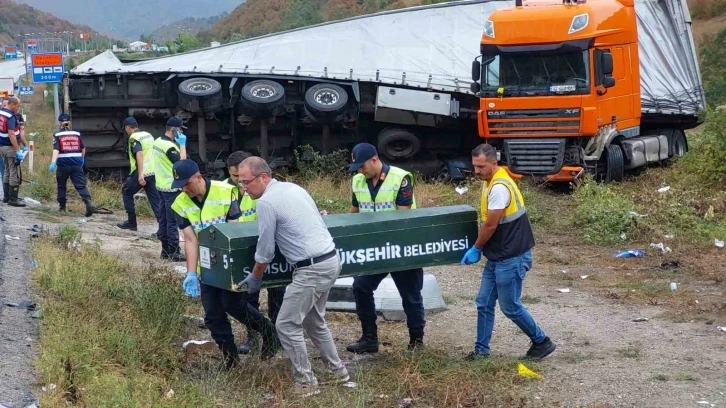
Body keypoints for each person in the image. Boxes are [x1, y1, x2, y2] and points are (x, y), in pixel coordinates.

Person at [238, 156, 348, 395]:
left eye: (247, 182)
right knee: (313, 321)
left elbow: (265, 250)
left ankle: (306, 382)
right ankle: (337, 372)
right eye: (240, 183)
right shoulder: (294, 188)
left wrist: (256, 278)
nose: (244, 189)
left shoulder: (266, 202)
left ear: (264, 177)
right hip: (330, 259)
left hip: (311, 269)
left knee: (286, 324)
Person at [171, 159, 280, 369]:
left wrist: (232, 266)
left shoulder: (226, 191)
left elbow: (234, 230)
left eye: (187, 184)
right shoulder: (180, 203)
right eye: (180, 186)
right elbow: (191, 239)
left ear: (198, 177)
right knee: (212, 315)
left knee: (233, 305)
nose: (184, 189)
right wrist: (191, 273)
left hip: (227, 262)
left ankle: (267, 330)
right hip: (206, 266)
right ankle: (231, 359)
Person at [461, 143, 556, 360]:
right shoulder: (490, 180)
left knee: (510, 306)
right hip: (499, 255)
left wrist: (476, 247)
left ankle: (542, 342)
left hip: (511, 257)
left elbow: (490, 225)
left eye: (481, 166)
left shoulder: (499, 187)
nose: (476, 171)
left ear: (494, 163)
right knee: (484, 303)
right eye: (474, 166)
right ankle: (481, 352)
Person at [345, 142, 425, 353]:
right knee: (361, 287)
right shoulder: (358, 181)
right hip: (373, 249)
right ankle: (369, 339)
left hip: (401, 247)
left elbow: (403, 215)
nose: (360, 171)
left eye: (363, 167)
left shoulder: (401, 178)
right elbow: (354, 210)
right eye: (357, 168)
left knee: (410, 295)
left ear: (374, 159)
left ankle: (416, 341)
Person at [224, 150, 287, 355]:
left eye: (241, 178)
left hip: (267, 245)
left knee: (277, 291)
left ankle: (279, 334)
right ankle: (254, 334)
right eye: (234, 177)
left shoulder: (262, 189)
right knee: (249, 296)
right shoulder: (226, 191)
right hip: (245, 249)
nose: (239, 182)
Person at [117, 117, 163, 234]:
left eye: (126, 129)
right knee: (155, 200)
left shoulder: (134, 138)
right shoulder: (148, 135)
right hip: (153, 172)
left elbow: (140, 153)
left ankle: (131, 222)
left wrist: (140, 174)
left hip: (142, 172)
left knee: (126, 191)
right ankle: (163, 229)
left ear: (128, 127)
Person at [48, 114, 97, 216]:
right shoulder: (77, 134)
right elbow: (83, 148)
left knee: (61, 185)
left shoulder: (57, 135)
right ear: (69, 122)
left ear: (60, 123)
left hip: (63, 165)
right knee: (81, 185)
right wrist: (82, 159)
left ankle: (62, 207)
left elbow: (56, 149)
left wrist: (53, 162)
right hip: (76, 164)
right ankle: (88, 202)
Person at [153, 117, 187, 261]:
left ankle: (165, 250)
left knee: (163, 220)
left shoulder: (157, 142)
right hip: (171, 188)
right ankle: (174, 252)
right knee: (172, 221)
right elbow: (182, 164)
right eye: (180, 129)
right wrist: (182, 144)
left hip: (160, 186)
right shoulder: (170, 147)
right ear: (174, 129)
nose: (181, 132)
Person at [0, 97, 26, 207]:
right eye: (18, 106)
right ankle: (13, 199)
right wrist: (18, 149)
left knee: (6, 170)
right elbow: (11, 134)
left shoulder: (1, 113)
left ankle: (6, 197)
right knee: (14, 172)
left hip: (2, 146)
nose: (18, 108)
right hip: (10, 147)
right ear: (12, 104)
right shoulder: (10, 116)